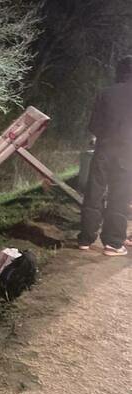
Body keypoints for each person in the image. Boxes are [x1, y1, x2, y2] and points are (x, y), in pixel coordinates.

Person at [78, 56, 132, 256]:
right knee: (120, 196)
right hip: (128, 153)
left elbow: (93, 125)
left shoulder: (105, 93)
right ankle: (113, 243)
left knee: (94, 192)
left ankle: (84, 239)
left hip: (104, 150)